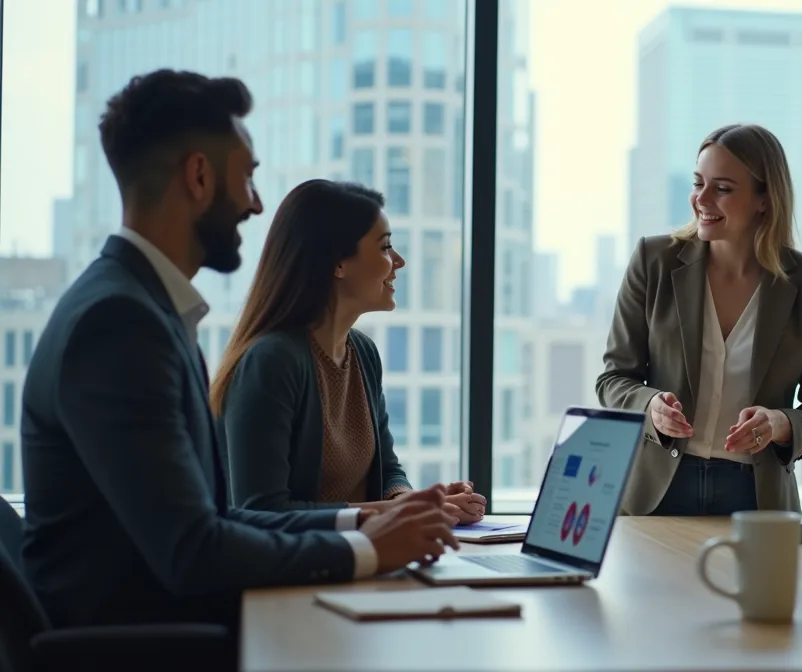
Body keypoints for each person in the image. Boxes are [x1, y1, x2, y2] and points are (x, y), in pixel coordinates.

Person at [20, 70, 460, 636]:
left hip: (172, 624)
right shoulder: (120, 324)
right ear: (199, 176)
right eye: (248, 179)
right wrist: (364, 550)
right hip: (146, 645)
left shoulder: (139, 308)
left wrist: (365, 519)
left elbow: (215, 518)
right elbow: (194, 550)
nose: (256, 206)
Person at [597, 123, 802, 516]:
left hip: (757, 499)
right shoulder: (653, 261)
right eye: (699, 183)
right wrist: (651, 406)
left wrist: (780, 424)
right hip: (655, 492)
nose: (701, 199)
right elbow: (612, 381)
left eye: (723, 188)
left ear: (765, 198)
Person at [210, 179, 486, 524]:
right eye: (385, 247)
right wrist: (398, 511)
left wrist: (415, 500)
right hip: (292, 574)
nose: (398, 261)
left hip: (360, 562)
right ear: (338, 263)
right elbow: (261, 511)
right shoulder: (271, 361)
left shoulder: (364, 353)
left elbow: (387, 469)